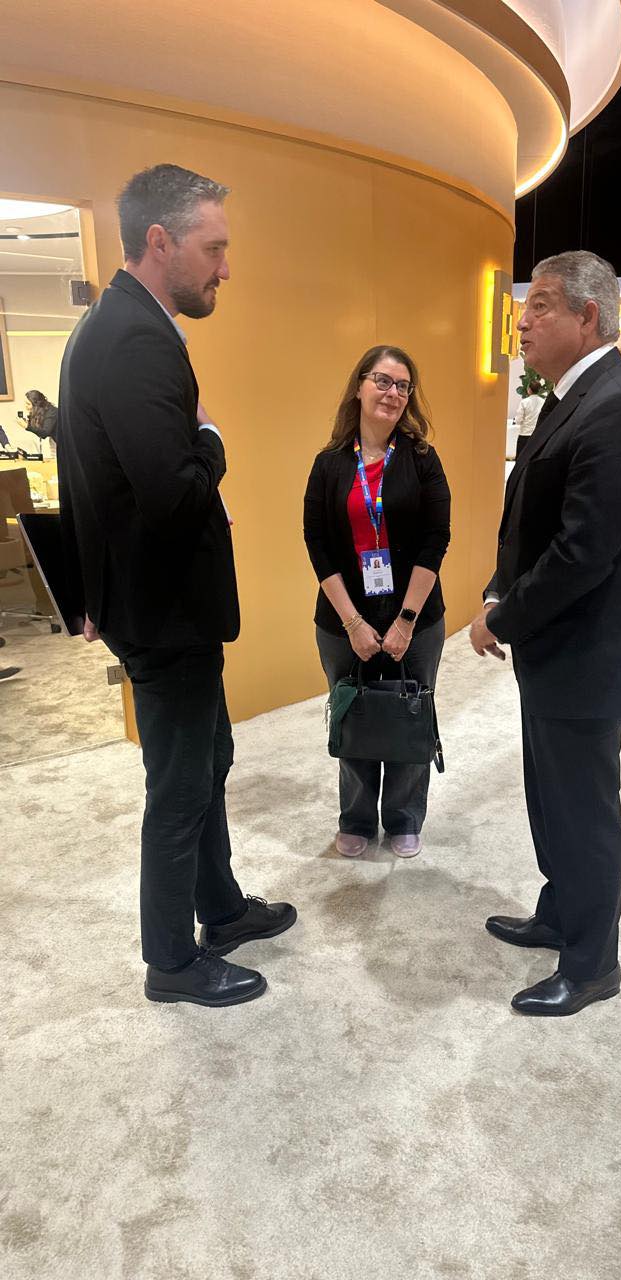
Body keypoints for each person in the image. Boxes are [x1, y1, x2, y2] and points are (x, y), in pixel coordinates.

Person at [57, 164, 296, 1008]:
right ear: (159, 242)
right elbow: (172, 493)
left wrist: (87, 592)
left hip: (155, 604)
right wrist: (214, 438)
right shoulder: (135, 339)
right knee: (181, 785)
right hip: (164, 612)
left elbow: (92, 479)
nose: (226, 268)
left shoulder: (115, 324)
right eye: (214, 248)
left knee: (208, 758)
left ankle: (220, 910)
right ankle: (171, 961)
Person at [470, 250, 621, 1017]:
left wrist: (501, 616)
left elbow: (583, 553)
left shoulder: (618, 408)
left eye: (542, 306)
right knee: (553, 798)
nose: (522, 322)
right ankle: (561, 914)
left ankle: (592, 965)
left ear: (589, 316)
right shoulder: (572, 397)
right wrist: (502, 587)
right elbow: (533, 512)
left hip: (590, 656)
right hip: (557, 651)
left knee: (584, 814)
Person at [304, 345, 451, 859]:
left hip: (416, 617)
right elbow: (317, 544)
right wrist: (352, 623)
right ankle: (357, 818)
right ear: (359, 386)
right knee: (356, 714)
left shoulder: (423, 460)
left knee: (411, 713)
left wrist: (406, 620)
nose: (393, 393)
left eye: (403, 386)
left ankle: (405, 816)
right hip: (343, 619)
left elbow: (436, 540)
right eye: (383, 381)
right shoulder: (328, 464)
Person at [513, 378, 545, 458]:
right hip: (537, 435)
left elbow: (518, 420)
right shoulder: (543, 402)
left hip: (525, 435)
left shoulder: (524, 402)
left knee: (521, 459)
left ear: (529, 390)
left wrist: (516, 421)